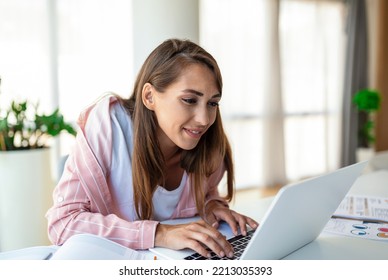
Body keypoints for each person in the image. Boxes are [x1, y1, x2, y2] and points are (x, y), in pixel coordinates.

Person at [46, 38, 258, 259]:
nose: (204, 119)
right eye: (189, 100)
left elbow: (206, 193)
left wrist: (212, 205)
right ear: (149, 96)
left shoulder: (208, 143)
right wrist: (159, 233)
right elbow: (62, 223)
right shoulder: (110, 127)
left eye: (212, 103)